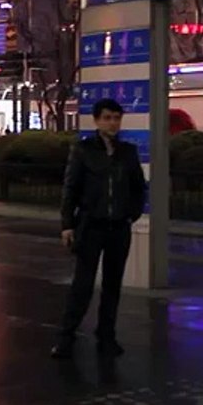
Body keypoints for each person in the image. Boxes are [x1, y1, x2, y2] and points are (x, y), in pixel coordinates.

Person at [53, 98, 147, 359]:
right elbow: (70, 188)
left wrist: (131, 214)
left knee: (112, 285)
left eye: (116, 118)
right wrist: (67, 225)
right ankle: (66, 336)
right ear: (96, 120)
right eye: (107, 118)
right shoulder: (83, 150)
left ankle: (107, 336)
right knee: (82, 284)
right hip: (90, 226)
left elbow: (138, 186)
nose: (113, 123)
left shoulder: (127, 151)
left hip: (118, 227)